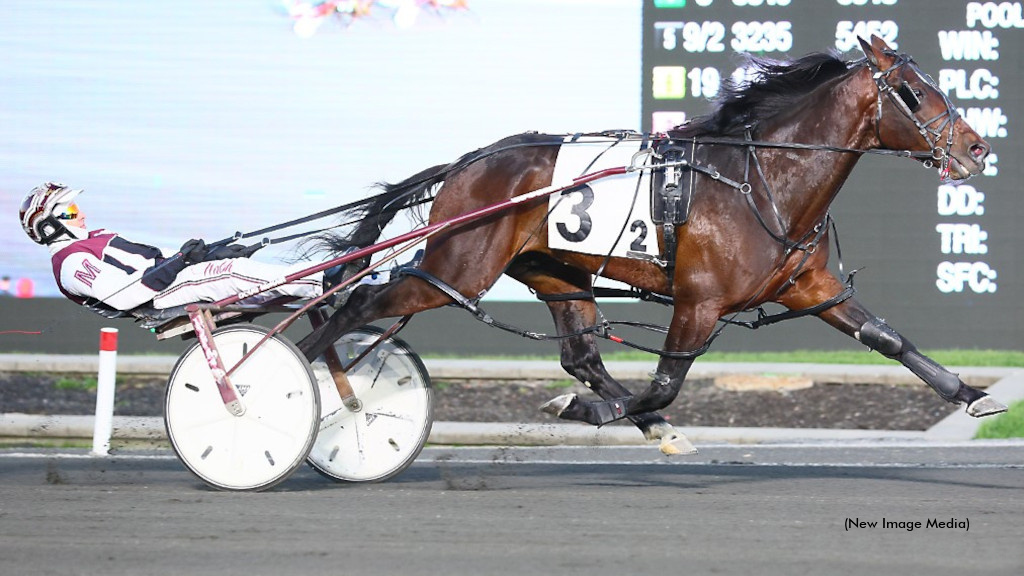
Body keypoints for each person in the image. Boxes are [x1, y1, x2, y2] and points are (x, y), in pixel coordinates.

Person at [19, 182, 329, 312]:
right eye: (71, 212)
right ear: (49, 227)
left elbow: (157, 257)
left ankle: (322, 277)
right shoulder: (71, 263)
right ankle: (324, 283)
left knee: (230, 263)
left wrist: (205, 254)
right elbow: (123, 295)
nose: (81, 213)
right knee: (231, 273)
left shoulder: (98, 235)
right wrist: (181, 263)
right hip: (155, 297)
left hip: (166, 279)